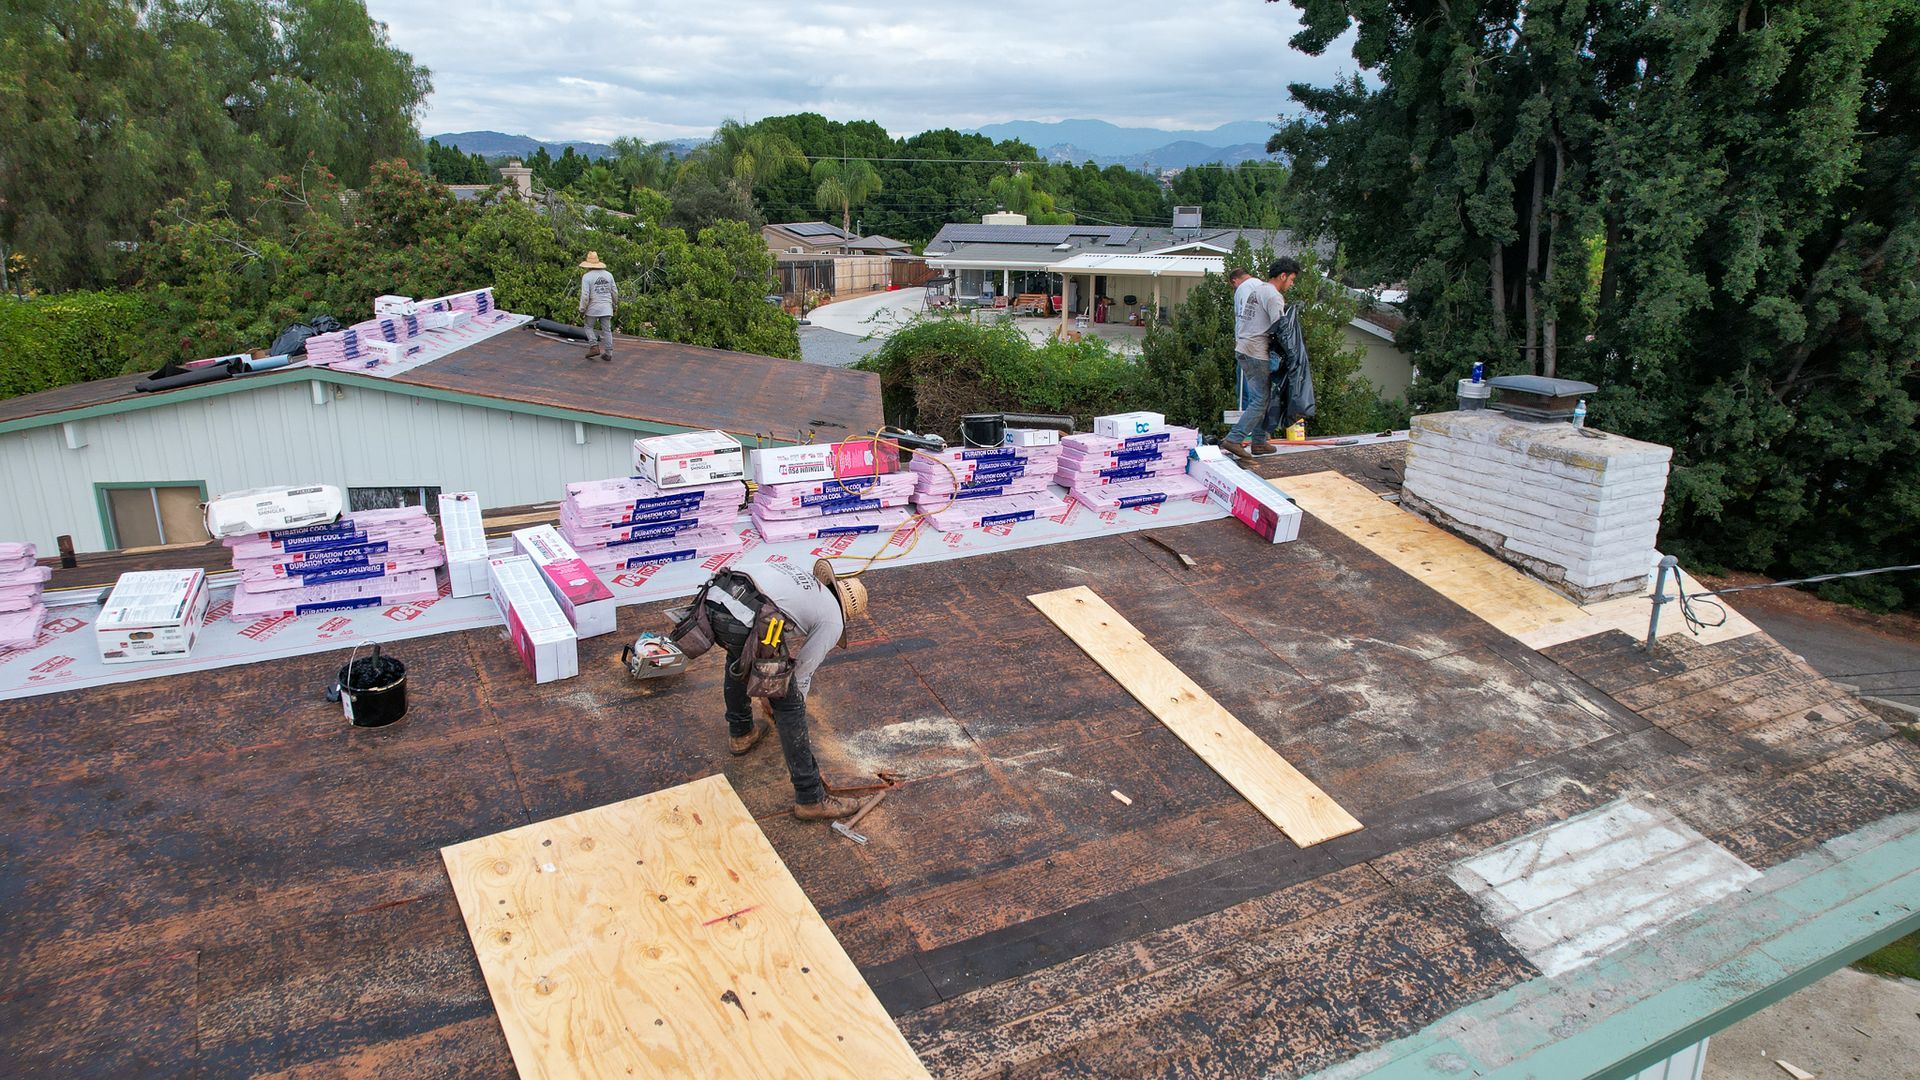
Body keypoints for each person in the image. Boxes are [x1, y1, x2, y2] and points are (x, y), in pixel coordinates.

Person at [702, 559, 870, 820]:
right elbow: (803, 669)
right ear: (848, 612)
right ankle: (810, 797)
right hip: (745, 614)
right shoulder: (833, 620)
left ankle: (741, 732)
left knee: (739, 657)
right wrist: (783, 701)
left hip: (714, 599)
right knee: (789, 705)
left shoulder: (804, 583)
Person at [1223, 263, 1287, 459]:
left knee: (1264, 397)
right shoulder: (1268, 293)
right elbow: (1280, 327)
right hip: (1255, 351)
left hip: (1245, 348)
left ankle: (1258, 441)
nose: (1292, 284)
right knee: (1260, 399)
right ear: (1283, 276)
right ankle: (1234, 439)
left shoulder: (1255, 290)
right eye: (1292, 279)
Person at [576, 252, 618, 362]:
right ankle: (609, 353)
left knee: (588, 327)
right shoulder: (608, 275)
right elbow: (614, 292)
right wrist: (615, 304)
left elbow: (585, 295)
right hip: (606, 306)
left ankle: (594, 346)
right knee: (607, 330)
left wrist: (582, 309)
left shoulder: (587, 277)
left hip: (593, 307)